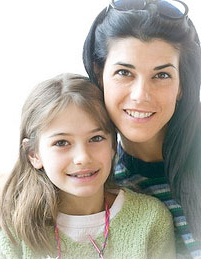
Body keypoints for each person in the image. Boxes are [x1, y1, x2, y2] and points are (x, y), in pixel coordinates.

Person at [0, 73, 175, 258]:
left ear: (113, 144)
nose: (82, 157)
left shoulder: (150, 219)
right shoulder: (12, 235)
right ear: (33, 154)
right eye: (62, 143)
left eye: (96, 138)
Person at [82, 0, 201, 258]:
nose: (140, 95)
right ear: (99, 72)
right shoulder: (94, 180)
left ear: (181, 84)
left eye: (161, 75)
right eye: (124, 72)